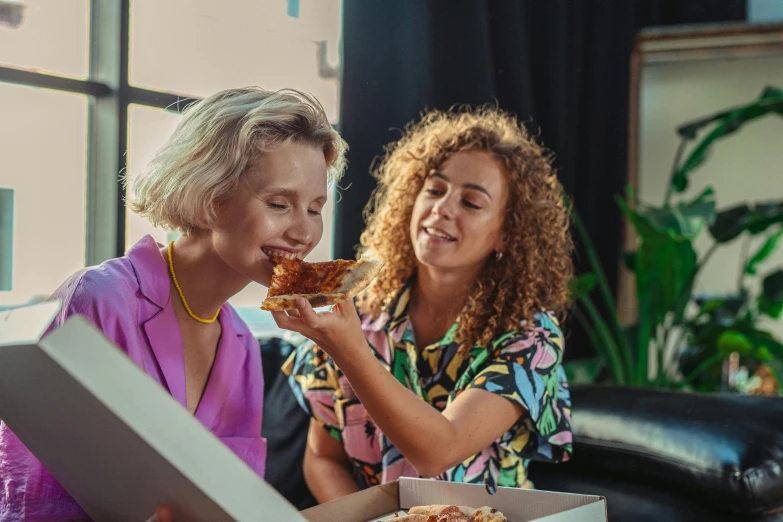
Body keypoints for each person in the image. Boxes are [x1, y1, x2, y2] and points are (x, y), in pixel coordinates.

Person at [0, 87, 347, 522]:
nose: (304, 234)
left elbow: (233, 504)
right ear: (208, 198)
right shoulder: (101, 300)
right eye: (279, 204)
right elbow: (32, 496)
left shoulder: (240, 344)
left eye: (315, 209)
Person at [278, 105, 575, 503]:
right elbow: (322, 457)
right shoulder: (357, 310)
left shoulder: (530, 339)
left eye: (471, 203)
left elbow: (438, 451)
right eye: (434, 190)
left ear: (507, 235)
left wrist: (350, 352)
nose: (442, 208)